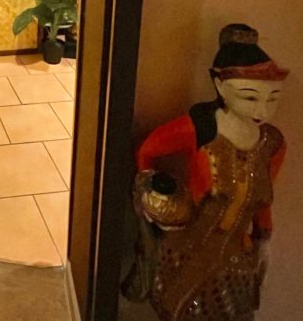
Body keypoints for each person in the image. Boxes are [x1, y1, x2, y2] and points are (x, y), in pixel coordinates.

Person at [122, 24, 288, 321]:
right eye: (250, 97)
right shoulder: (200, 128)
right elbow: (147, 150)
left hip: (237, 260)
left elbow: (263, 202)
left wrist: (265, 241)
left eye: (272, 98)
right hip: (187, 251)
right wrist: (155, 198)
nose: (262, 110)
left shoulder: (272, 144)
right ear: (220, 86)